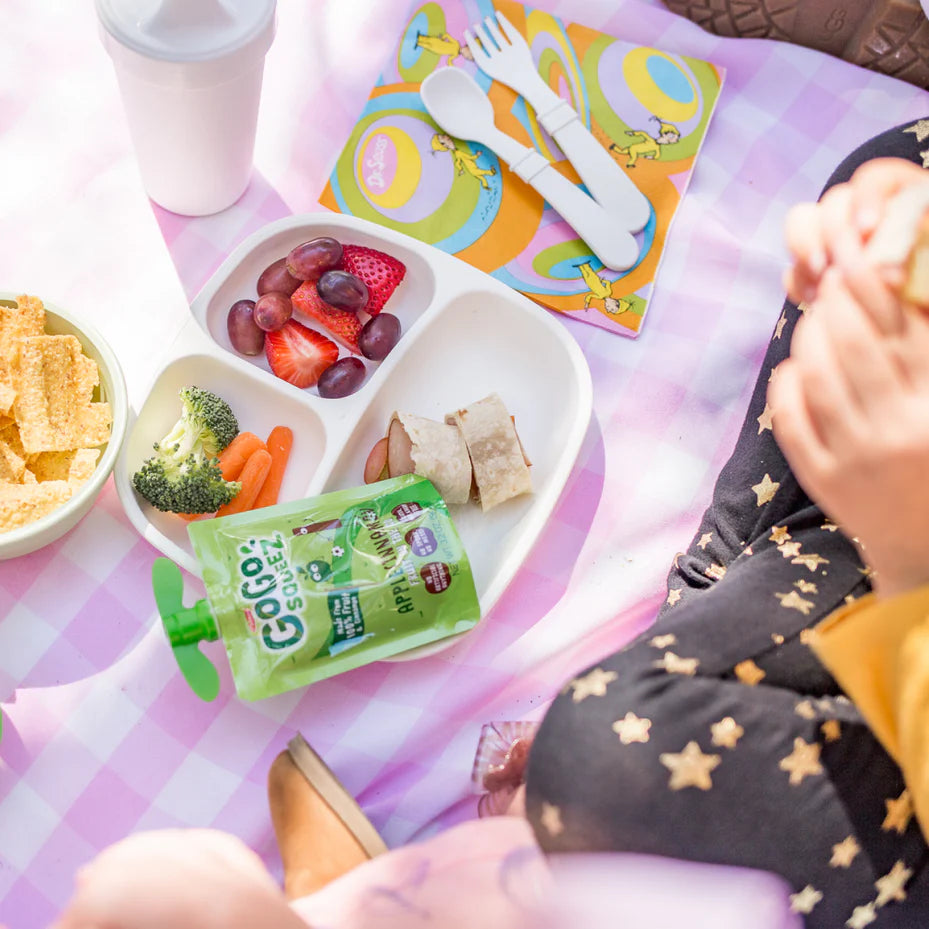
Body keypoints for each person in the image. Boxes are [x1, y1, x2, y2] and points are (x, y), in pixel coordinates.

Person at [53, 122, 929, 929]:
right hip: (838, 576)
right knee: (894, 167)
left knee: (601, 757)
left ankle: (369, 904)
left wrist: (908, 552)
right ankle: (701, 618)